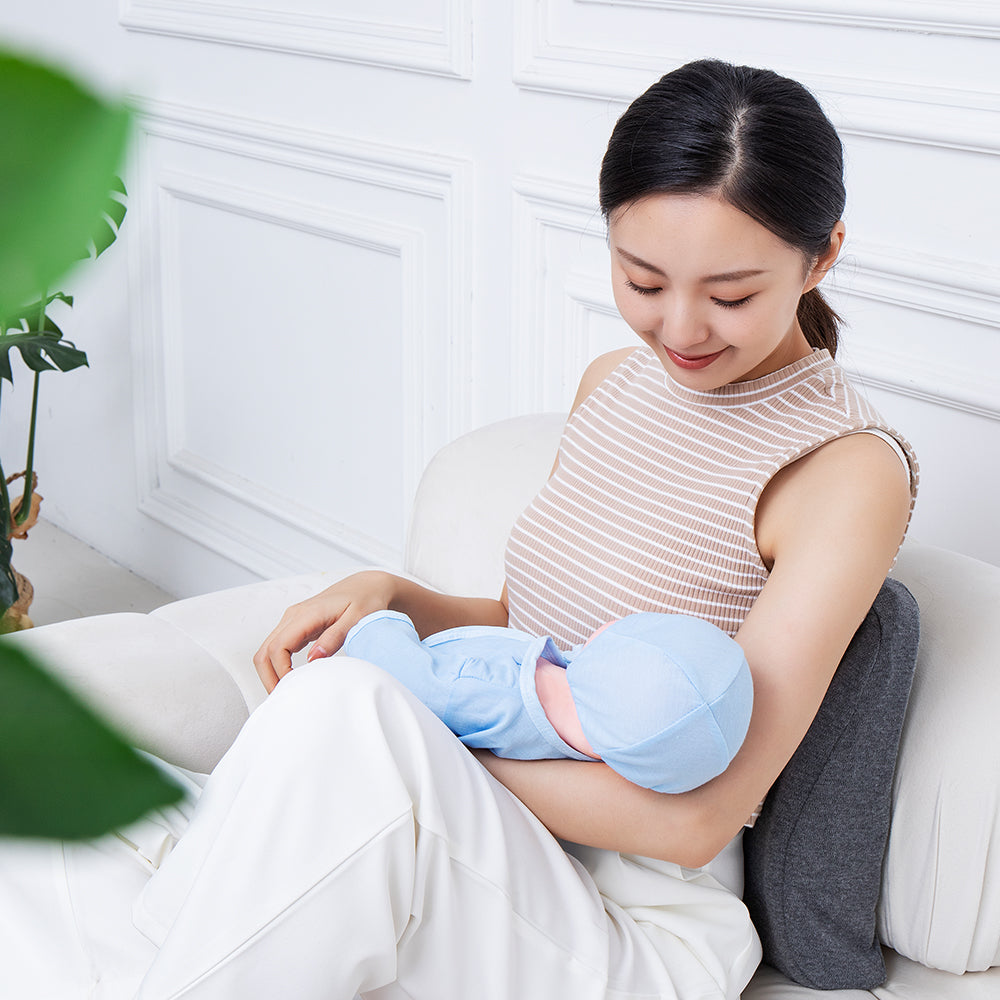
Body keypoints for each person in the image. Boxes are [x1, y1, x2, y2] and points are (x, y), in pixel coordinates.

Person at [2, 58, 917, 1000]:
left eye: (731, 295)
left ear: (823, 255)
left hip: (636, 911)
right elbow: (540, 643)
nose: (680, 327)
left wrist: (414, 735)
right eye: (643, 279)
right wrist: (396, 597)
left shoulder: (846, 470)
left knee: (339, 713)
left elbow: (698, 820)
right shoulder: (615, 385)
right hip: (487, 833)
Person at [339, 608, 754, 793]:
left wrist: (378, 622)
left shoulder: (489, 691)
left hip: (356, 711)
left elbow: (403, 675)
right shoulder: (612, 740)